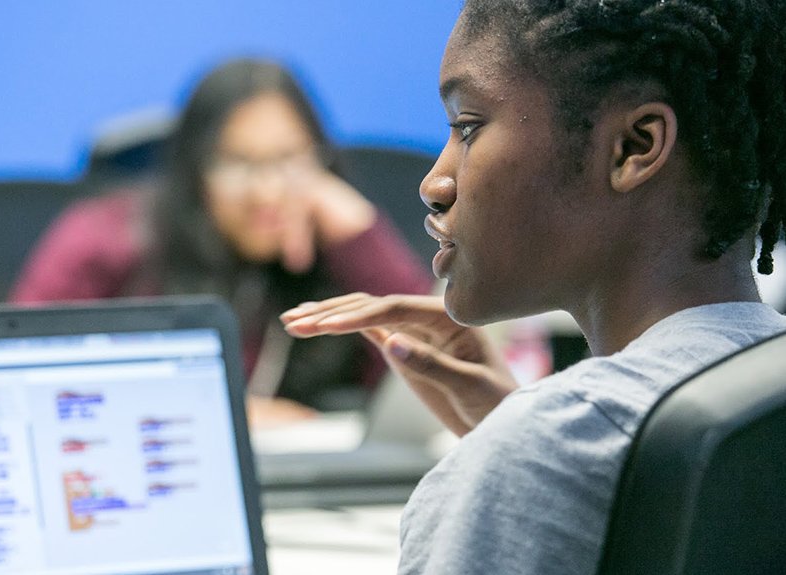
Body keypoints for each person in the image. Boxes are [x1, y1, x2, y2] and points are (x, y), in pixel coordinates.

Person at [280, 0, 786, 572]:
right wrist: (522, 432)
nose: (433, 184)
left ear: (633, 147)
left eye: (467, 127)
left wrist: (524, 454)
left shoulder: (548, 454)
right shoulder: (751, 408)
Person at [11, 58, 433, 421]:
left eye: (289, 159)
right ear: (196, 170)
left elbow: (430, 374)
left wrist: (360, 234)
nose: (266, 192)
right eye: (238, 163)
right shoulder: (107, 238)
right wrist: (217, 412)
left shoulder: (338, 247)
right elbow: (22, 375)